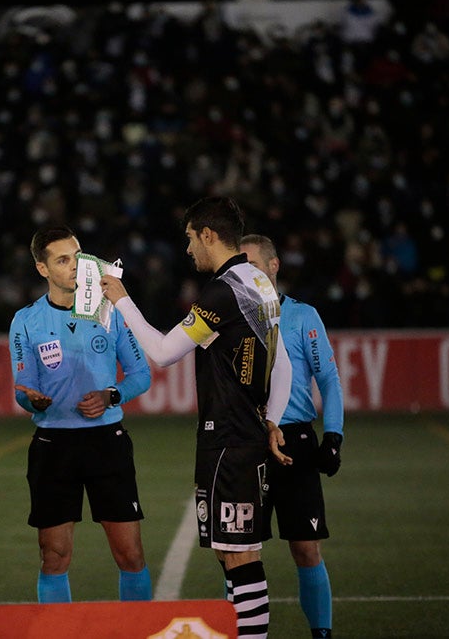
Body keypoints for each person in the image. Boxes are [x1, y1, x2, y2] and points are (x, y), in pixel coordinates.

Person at [100, 196, 293, 639]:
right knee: (232, 553)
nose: (188, 249)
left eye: (190, 238)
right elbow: (281, 361)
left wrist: (123, 300)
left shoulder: (225, 291)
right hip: (241, 433)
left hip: (229, 438)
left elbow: (164, 353)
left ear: (208, 235)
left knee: (241, 556)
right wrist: (273, 419)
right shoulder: (260, 284)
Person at [9, 224, 153, 604]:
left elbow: (141, 375)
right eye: (62, 259)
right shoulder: (25, 321)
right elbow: (24, 387)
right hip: (53, 445)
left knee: (130, 554)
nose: (74, 265)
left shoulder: (110, 311)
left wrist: (112, 394)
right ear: (43, 269)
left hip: (107, 442)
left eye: (77, 255)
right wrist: (32, 402)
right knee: (54, 557)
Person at [240, 234, 344, 639]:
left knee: (306, 548)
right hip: (246, 442)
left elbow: (329, 380)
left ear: (274, 266)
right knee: (240, 554)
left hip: (295, 441)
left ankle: (321, 634)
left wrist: (332, 436)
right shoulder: (231, 319)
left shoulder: (303, 317)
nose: (246, 274)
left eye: (252, 264)